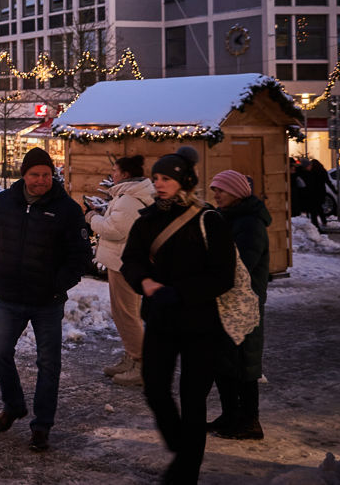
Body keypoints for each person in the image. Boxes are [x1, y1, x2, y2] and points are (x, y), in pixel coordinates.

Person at [121, 145, 237, 485]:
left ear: (184, 182)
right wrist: (143, 281)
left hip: (200, 323)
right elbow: (131, 260)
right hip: (160, 319)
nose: (158, 184)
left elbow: (223, 275)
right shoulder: (147, 219)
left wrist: (181, 292)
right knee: (155, 388)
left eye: (166, 179)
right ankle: (181, 446)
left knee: (193, 399)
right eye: (156, 178)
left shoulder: (208, 220)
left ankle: (186, 472)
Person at [0, 146, 90, 452]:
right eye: (35, 174)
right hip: (9, 296)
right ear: (24, 175)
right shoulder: (5, 201)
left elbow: (80, 255)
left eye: (46, 174)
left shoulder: (67, 209)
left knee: (48, 363)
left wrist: (58, 284)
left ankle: (42, 425)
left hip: (47, 302)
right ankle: (14, 405)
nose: (41, 180)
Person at [206, 169, 270, 441]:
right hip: (225, 301)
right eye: (215, 190)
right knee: (224, 362)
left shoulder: (250, 224)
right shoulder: (227, 218)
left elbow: (240, 265)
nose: (216, 195)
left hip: (244, 305)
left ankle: (250, 421)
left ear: (236, 192)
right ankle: (230, 415)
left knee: (244, 363)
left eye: (221, 190)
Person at [85, 154, 154, 387]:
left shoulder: (129, 200)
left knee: (126, 314)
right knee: (126, 313)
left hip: (123, 264)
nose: (112, 174)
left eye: (115, 170)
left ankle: (141, 364)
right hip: (125, 262)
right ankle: (132, 357)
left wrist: (92, 217)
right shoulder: (131, 195)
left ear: (125, 174)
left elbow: (114, 230)